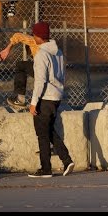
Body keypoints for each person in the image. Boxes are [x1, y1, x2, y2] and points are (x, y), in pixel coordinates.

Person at [26, 21, 74, 178]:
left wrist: (33, 103)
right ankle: (67, 160)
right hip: (56, 97)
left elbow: (40, 81)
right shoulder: (58, 52)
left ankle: (45, 169)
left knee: (42, 133)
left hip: (45, 98)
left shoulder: (41, 55)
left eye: (34, 34)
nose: (33, 37)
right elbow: (62, 74)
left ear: (39, 36)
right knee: (49, 131)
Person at [0, 32, 38, 109]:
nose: (31, 56)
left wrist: (7, 49)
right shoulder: (52, 45)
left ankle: (20, 100)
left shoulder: (34, 41)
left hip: (43, 70)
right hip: (53, 75)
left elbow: (17, 36)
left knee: (21, 65)